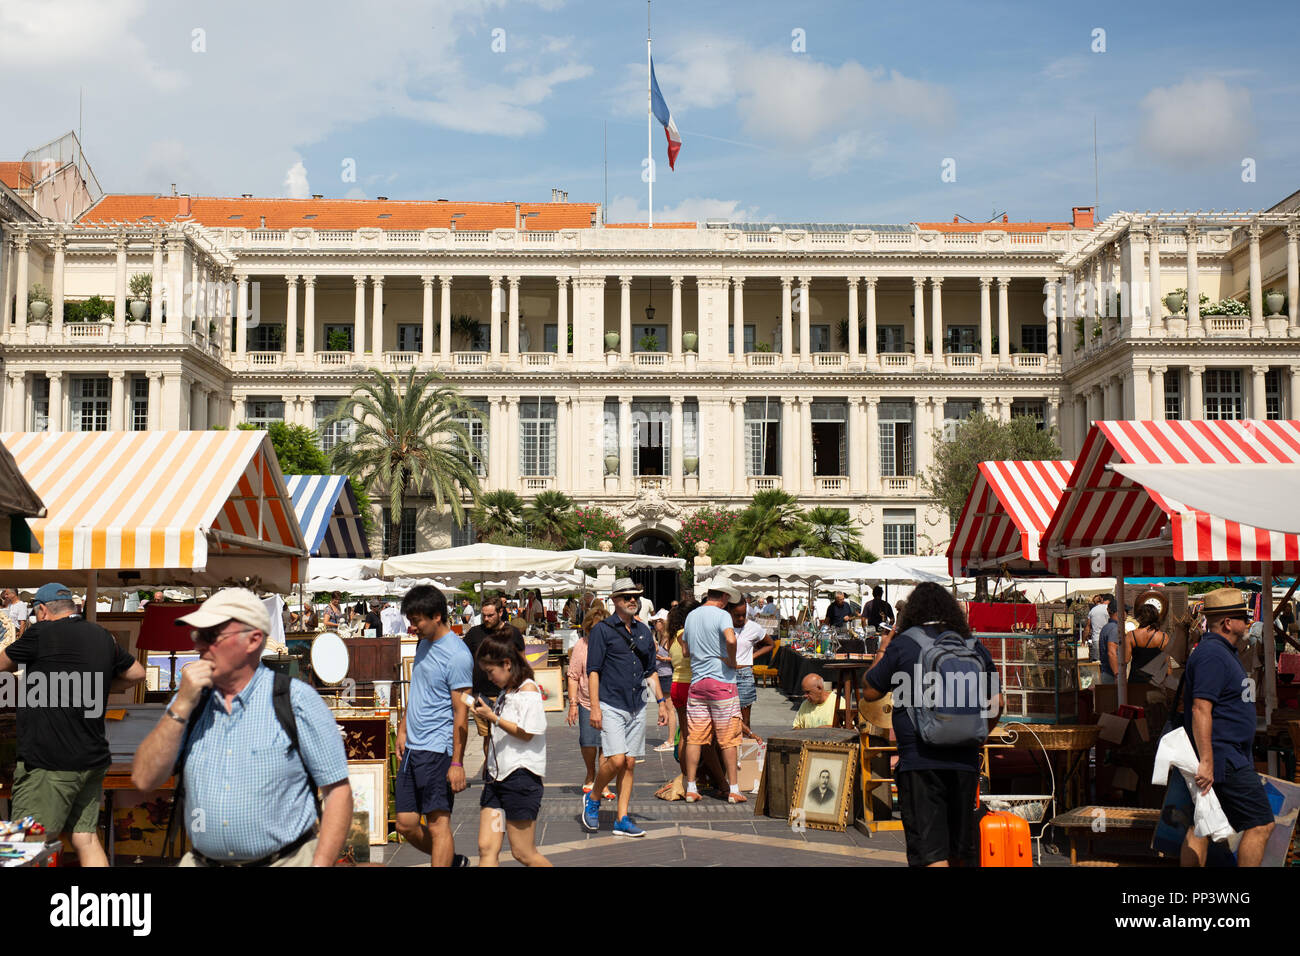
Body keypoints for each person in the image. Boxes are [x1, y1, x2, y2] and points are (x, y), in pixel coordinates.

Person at [131, 588, 350, 867]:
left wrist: (320, 864)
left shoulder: (296, 700)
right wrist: (181, 705)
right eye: (197, 636)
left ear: (253, 640)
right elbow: (144, 779)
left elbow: (338, 792)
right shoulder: (190, 702)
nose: (198, 646)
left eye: (210, 636)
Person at [2, 583, 146, 866]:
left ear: (42, 611)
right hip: (91, 759)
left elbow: (3, 663)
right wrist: (101, 685)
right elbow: (138, 673)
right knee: (86, 838)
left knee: (19, 846)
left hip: (48, 761)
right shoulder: (101, 635)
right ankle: (104, 908)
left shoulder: (40, 633)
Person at [860, 582, 1000, 867]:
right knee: (960, 852)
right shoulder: (972, 645)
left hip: (919, 761)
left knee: (930, 855)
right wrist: (979, 733)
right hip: (965, 761)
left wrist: (885, 648)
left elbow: (870, 690)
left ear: (913, 611)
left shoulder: (905, 643)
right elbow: (998, 701)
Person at [1179, 588, 1275, 868]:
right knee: (1261, 823)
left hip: (1224, 755)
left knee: (1202, 825)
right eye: (1244, 618)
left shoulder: (1221, 652)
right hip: (1223, 757)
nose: (1247, 623)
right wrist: (1207, 762)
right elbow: (1200, 708)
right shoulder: (1212, 654)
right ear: (1227, 623)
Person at [581, 578, 670, 836]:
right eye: (626, 597)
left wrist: (661, 703)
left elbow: (650, 671)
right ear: (614, 601)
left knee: (629, 763)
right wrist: (595, 708)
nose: (632, 600)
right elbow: (593, 671)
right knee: (616, 759)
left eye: (635, 596)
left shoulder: (643, 631)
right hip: (610, 703)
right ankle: (594, 797)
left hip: (637, 704)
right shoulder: (602, 631)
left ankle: (621, 818)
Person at [393, 585, 473, 867]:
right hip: (413, 747)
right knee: (405, 824)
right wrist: (403, 728)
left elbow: (461, 713)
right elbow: (419, 690)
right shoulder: (424, 643)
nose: (413, 627)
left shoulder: (458, 655)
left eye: (417, 620)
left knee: (438, 825)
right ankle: (451, 861)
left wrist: (457, 763)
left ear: (437, 615)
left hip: (437, 750)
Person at [471, 634, 552, 867]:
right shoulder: (509, 691)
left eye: (490, 671)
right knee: (486, 847)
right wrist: (488, 714)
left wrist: (492, 717)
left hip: (520, 778)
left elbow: (528, 732)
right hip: (496, 778)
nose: (489, 677)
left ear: (507, 664)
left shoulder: (528, 691)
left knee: (523, 852)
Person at [682, 583, 745, 804]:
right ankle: (734, 790)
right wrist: (732, 660)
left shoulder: (691, 616)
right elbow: (730, 639)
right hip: (721, 682)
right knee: (728, 738)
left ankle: (691, 787)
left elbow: (685, 650)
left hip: (697, 684)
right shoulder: (722, 615)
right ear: (725, 597)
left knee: (695, 737)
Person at [463, 596, 526, 760]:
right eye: (484, 615)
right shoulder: (474, 633)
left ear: (500, 612)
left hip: (506, 694)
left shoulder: (512, 633)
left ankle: (502, 768)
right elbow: (463, 661)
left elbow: (522, 663)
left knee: (505, 735)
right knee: (488, 737)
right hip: (480, 695)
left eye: (490, 615)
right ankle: (490, 768)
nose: (486, 619)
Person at [566, 605, 614, 800]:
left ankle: (602, 783)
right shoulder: (582, 645)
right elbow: (573, 676)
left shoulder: (613, 644)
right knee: (587, 741)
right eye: (594, 629)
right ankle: (590, 773)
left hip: (610, 701)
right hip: (586, 700)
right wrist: (572, 704)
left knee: (607, 744)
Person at [730, 596, 774, 734]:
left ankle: (745, 751)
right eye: (737, 616)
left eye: (744, 615)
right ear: (730, 612)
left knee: (745, 720)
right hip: (725, 674)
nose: (741, 619)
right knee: (725, 718)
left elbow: (770, 644)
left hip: (744, 674)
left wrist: (752, 656)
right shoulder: (723, 626)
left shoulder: (753, 628)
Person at [1127, 591, 1170, 685]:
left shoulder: (1131, 635)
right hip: (1155, 682)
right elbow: (1167, 667)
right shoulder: (1163, 637)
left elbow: (1125, 660)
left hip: (1135, 681)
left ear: (1140, 617)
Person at [650, 610, 677, 752]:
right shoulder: (660, 637)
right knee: (666, 708)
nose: (655, 624)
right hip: (661, 675)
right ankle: (671, 738)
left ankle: (671, 740)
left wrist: (663, 659)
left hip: (667, 676)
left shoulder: (668, 638)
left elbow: (677, 657)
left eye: (657, 622)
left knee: (670, 709)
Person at [1098, 598, 1121, 684]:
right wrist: (1117, 675)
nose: (1126, 615)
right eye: (1125, 611)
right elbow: (1112, 653)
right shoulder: (1115, 629)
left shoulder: (1107, 627)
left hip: (1107, 673)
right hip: (1111, 675)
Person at [1086, 593, 1110, 661]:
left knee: (1097, 662)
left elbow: (1088, 627)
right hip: (1108, 638)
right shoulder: (1108, 608)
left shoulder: (1092, 611)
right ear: (1102, 600)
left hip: (1096, 639)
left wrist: (1083, 640)